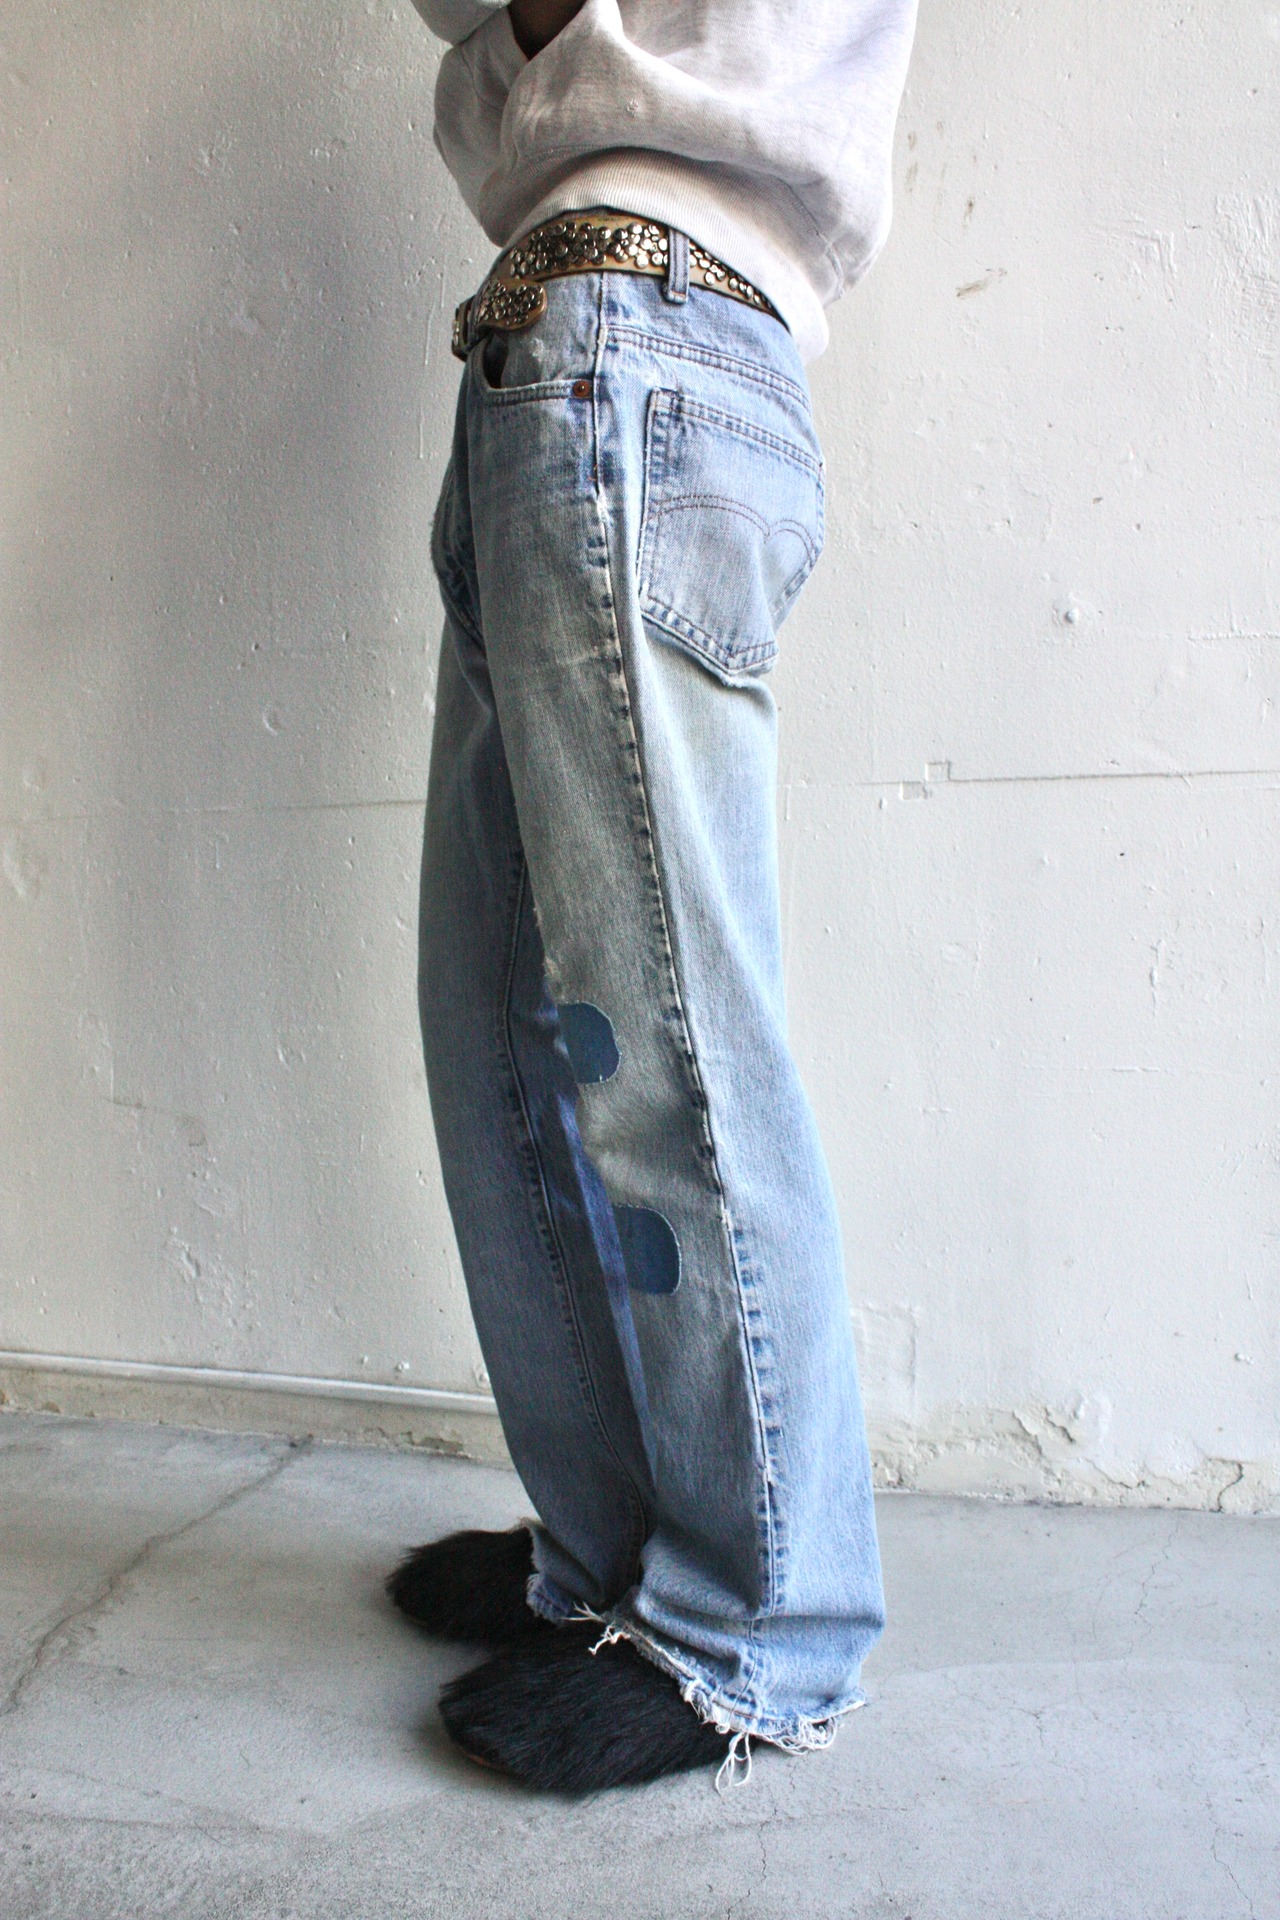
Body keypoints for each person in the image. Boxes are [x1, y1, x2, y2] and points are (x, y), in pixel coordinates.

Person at [387, 0, 918, 1792]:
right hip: (550, 344)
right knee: (501, 1043)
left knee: (664, 1035)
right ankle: (607, 1556)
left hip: (643, 332)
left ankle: (761, 1630)